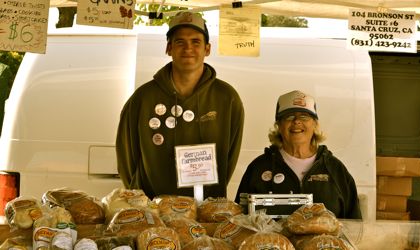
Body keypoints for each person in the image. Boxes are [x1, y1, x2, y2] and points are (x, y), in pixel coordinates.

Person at [116, 11, 245, 199]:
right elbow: (126, 156)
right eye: (180, 42)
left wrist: (209, 197)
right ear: (168, 48)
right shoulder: (143, 98)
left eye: (195, 42)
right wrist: (142, 200)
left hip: (204, 212)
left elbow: (230, 157)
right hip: (153, 213)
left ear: (207, 49)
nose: (188, 48)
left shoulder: (227, 98)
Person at [234, 90, 361, 219]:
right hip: (271, 240)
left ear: (315, 124)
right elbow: (239, 222)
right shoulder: (258, 168)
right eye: (289, 116)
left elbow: (354, 226)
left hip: (324, 240)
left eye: (304, 116)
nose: (296, 121)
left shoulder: (335, 170)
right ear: (279, 125)